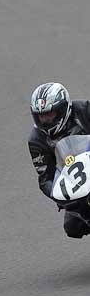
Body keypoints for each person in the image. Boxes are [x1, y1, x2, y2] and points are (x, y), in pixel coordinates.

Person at [29, 82, 90, 238]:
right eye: (41, 116)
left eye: (50, 114)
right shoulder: (37, 139)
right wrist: (60, 197)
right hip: (77, 183)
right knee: (73, 226)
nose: (46, 120)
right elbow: (45, 178)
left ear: (64, 108)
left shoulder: (84, 110)